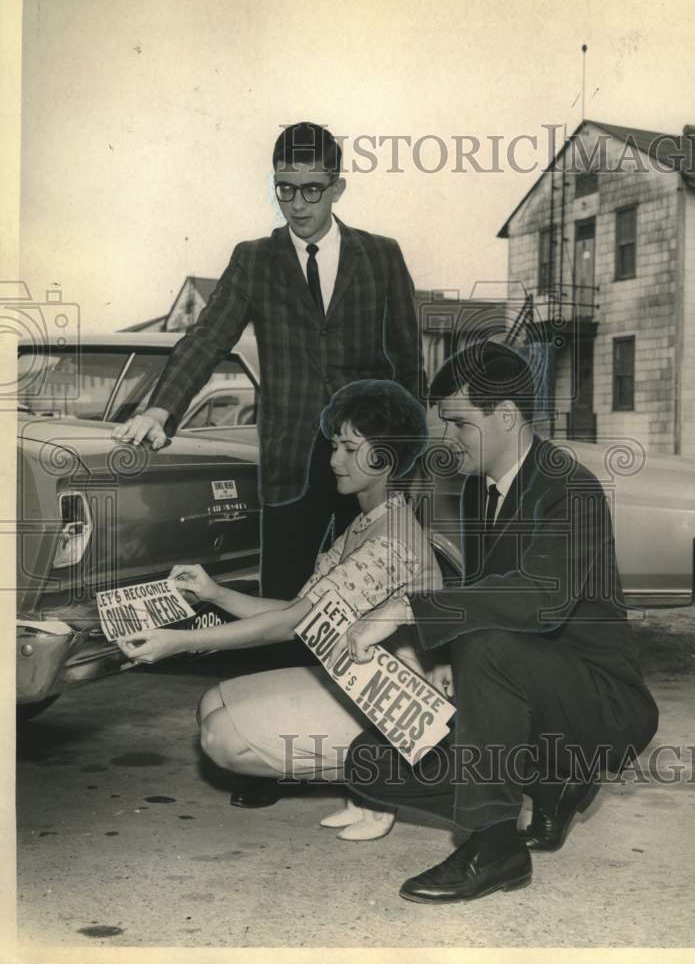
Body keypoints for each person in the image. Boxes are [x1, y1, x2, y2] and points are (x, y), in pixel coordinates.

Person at [334, 341, 659, 902]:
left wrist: (408, 610)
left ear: (505, 415)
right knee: (369, 764)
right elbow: (484, 596)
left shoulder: (569, 488)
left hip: (599, 705)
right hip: (524, 693)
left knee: (483, 644)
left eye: (460, 423)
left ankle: (494, 845)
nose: (449, 437)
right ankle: (554, 783)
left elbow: (540, 599)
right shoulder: (481, 490)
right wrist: (434, 667)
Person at [117, 379, 447, 841]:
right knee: (213, 704)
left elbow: (290, 625)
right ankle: (367, 781)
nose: (334, 459)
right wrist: (214, 593)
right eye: (335, 445)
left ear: (385, 458)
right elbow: (298, 609)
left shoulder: (390, 540)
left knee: (223, 738)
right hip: (364, 684)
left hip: (403, 710)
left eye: (350, 448)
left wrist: (179, 642)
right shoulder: (369, 522)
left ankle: (383, 781)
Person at [113, 121, 425, 603]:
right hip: (290, 467)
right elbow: (206, 339)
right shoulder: (254, 261)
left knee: (370, 605)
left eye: (312, 190)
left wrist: (404, 463)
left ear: (337, 188)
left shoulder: (383, 256)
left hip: (370, 464)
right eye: (285, 189)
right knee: (281, 604)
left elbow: (408, 370)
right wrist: (161, 409)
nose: (297, 204)